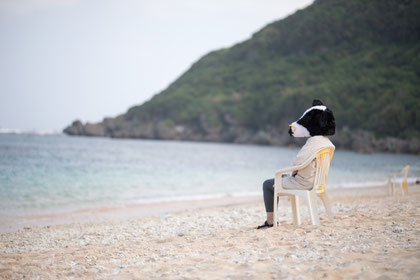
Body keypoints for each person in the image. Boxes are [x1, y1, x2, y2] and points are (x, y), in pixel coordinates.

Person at [257, 99, 336, 229]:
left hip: (303, 183)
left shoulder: (314, 142)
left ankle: (271, 222)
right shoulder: (327, 143)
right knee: (280, 178)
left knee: (267, 184)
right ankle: (274, 221)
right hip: (317, 182)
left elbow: (297, 161)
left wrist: (294, 171)